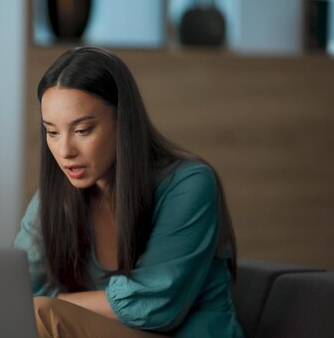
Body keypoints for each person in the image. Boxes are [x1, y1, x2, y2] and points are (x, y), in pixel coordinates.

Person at [14, 46, 244, 338]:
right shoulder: (58, 195)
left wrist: (54, 303)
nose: (65, 151)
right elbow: (16, 287)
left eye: (82, 130)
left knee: (40, 315)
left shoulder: (190, 184)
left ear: (122, 122)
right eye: (52, 132)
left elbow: (154, 304)